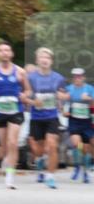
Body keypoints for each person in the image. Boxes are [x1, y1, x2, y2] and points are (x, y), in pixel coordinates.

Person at [0, 42, 32, 189]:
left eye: (7, 50)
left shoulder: (20, 72)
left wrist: (24, 95)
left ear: (11, 54)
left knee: (12, 143)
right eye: (1, 50)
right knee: (3, 147)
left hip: (16, 110)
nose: (4, 53)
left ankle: (10, 176)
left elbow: (28, 91)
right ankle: (5, 160)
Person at [23, 48, 67, 189]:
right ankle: (40, 161)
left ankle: (50, 176)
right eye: (42, 57)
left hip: (52, 117)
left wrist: (62, 99)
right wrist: (33, 102)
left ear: (51, 61)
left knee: (52, 145)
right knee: (37, 149)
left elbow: (64, 96)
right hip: (36, 117)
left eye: (47, 57)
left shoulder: (58, 78)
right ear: (37, 61)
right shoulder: (31, 78)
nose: (44, 59)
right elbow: (23, 97)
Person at [65, 67, 94, 183]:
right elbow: (63, 105)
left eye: (80, 76)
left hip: (87, 122)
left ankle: (85, 171)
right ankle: (77, 166)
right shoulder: (69, 89)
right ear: (73, 78)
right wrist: (64, 111)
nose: (78, 78)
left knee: (86, 149)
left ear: (84, 77)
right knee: (77, 145)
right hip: (74, 122)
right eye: (76, 76)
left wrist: (89, 99)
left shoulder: (90, 89)